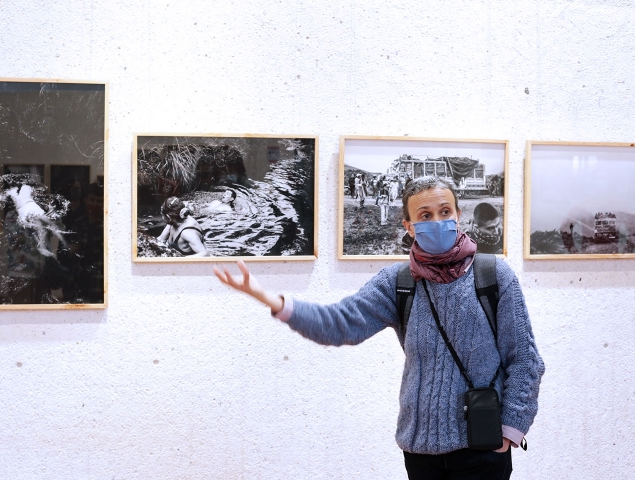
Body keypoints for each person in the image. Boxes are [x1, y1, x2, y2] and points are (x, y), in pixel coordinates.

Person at [214, 176, 544, 480]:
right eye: (425, 215)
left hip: (482, 445)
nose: (437, 221)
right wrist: (271, 299)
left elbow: (525, 359)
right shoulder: (398, 282)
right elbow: (340, 323)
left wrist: (510, 430)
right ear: (409, 226)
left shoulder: (494, 276)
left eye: (445, 211)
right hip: (421, 449)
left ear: (458, 214)